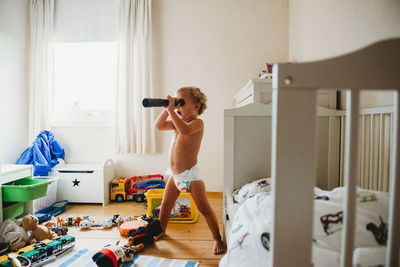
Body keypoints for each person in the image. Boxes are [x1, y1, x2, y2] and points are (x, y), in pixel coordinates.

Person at [153, 86, 226, 255]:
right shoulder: (176, 123)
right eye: (176, 103)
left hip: (190, 175)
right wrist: (166, 110)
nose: (177, 107)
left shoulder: (197, 123)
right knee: (165, 205)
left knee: (204, 208)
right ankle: (162, 230)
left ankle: (217, 238)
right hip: (175, 175)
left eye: (181, 103)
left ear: (196, 106)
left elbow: (185, 131)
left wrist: (172, 111)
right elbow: (158, 126)